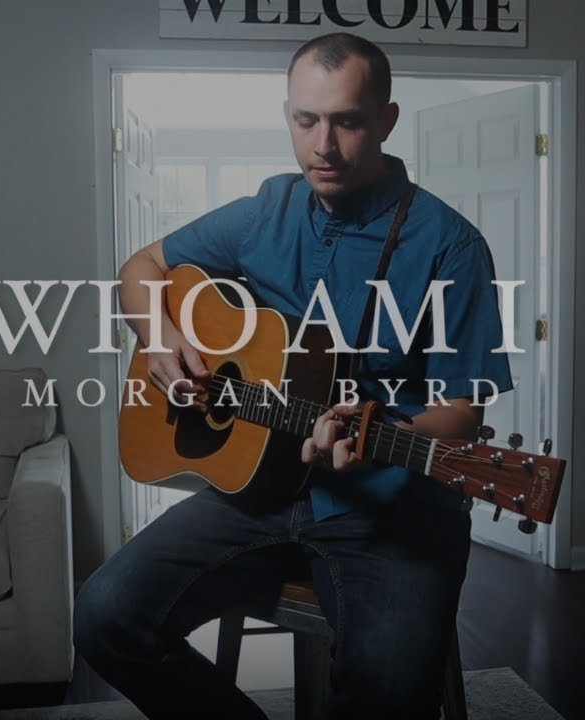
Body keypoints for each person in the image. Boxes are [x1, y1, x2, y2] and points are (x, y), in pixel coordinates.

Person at [74, 32, 513, 720]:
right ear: (288, 116)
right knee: (103, 615)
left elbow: (463, 413)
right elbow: (141, 269)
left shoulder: (450, 244)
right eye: (306, 120)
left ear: (387, 120)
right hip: (259, 488)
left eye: (347, 120)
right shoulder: (264, 212)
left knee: (387, 690)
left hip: (388, 508)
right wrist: (158, 339)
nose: (323, 145)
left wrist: (374, 434)